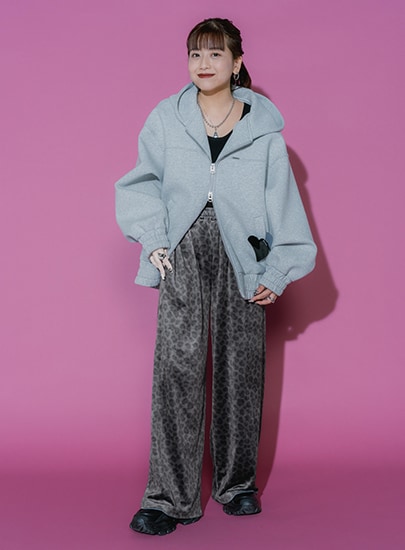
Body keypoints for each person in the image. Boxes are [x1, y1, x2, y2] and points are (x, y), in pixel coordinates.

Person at [115, 17, 317, 536]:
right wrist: (154, 239)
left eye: (214, 54)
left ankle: (237, 483)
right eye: (195, 54)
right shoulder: (166, 118)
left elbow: (284, 204)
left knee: (240, 368)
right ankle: (168, 497)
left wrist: (278, 268)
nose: (203, 64)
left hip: (243, 254)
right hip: (182, 249)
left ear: (236, 62)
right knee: (177, 369)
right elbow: (140, 183)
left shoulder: (264, 132)